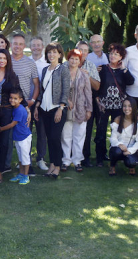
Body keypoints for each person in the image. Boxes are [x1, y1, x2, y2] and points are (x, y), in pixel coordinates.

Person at [94, 43, 135, 167]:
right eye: (111, 53)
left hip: (118, 106)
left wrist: (124, 69)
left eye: (116, 54)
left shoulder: (123, 70)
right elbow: (97, 86)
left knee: (117, 132)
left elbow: (131, 81)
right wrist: (97, 100)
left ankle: (114, 157)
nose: (113, 56)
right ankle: (100, 157)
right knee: (101, 132)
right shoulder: (103, 68)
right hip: (104, 106)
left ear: (121, 56)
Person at [34, 42, 70, 178]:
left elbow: (66, 91)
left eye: (55, 52)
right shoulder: (45, 70)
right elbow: (43, 91)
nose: (51, 54)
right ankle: (52, 165)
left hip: (57, 109)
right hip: (44, 109)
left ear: (60, 54)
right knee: (50, 139)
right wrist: (37, 106)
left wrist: (61, 108)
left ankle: (58, 166)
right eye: (49, 52)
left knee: (55, 138)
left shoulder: (63, 69)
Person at [0, 49, 28, 183]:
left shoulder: (12, 76)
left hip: (7, 111)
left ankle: (0, 171)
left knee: (5, 142)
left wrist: (26, 108)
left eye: (4, 58)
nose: (2, 61)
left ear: (8, 60)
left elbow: (19, 93)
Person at [11, 33, 39, 175]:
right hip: (7, 105)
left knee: (25, 136)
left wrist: (32, 101)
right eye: (15, 43)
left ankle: (26, 165)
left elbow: (36, 85)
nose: (18, 46)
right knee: (9, 136)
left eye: (21, 44)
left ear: (24, 46)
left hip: (24, 107)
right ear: (11, 45)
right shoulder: (5, 61)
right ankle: (8, 164)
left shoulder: (30, 63)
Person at [61, 49, 92, 172]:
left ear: (80, 61)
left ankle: (77, 160)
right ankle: (66, 160)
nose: (74, 61)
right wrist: (66, 100)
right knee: (66, 135)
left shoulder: (84, 75)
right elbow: (59, 89)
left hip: (81, 108)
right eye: (72, 58)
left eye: (76, 59)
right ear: (68, 59)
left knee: (79, 136)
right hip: (66, 108)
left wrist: (89, 109)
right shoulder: (63, 73)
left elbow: (88, 93)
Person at [72, 41, 101, 167]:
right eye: (80, 50)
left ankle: (85, 157)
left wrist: (87, 76)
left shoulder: (91, 66)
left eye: (85, 50)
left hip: (85, 103)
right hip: (70, 102)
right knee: (68, 131)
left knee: (86, 131)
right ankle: (67, 157)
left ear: (88, 53)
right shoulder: (69, 64)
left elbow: (97, 86)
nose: (82, 53)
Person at [0, 88, 32, 185]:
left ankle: (26, 176)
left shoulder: (20, 110)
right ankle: (21, 173)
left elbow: (13, 124)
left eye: (15, 98)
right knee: (20, 157)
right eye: (11, 98)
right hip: (18, 137)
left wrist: (1, 128)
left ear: (21, 100)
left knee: (25, 157)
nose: (12, 100)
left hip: (24, 137)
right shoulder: (15, 108)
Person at [109, 97, 138, 176]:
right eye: (124, 106)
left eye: (129, 106)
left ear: (134, 107)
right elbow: (112, 138)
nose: (126, 109)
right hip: (118, 148)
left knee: (130, 163)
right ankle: (112, 166)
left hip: (131, 150)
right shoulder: (118, 119)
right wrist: (119, 144)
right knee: (116, 152)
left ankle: (131, 166)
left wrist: (130, 151)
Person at [29, 36, 49, 170]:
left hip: (42, 102)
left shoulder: (47, 64)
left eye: (39, 45)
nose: (36, 47)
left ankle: (40, 158)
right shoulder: (26, 61)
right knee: (27, 131)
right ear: (30, 47)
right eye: (34, 45)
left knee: (42, 131)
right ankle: (27, 159)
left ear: (43, 47)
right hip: (26, 102)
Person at [123, 24, 138, 124]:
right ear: (135, 35)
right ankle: (131, 140)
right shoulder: (128, 51)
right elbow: (123, 69)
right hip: (130, 93)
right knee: (130, 121)